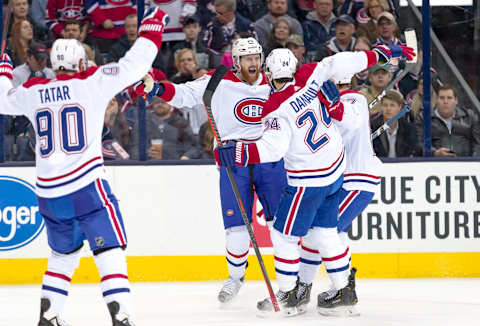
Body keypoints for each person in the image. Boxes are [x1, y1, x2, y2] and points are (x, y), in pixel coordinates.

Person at [213, 45, 414, 315]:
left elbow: (273, 149)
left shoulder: (274, 107)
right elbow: (341, 62)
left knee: (283, 236)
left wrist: (237, 151)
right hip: (334, 172)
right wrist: (381, 53)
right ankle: (343, 290)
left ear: (270, 73)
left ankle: (287, 295)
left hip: (308, 179)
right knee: (324, 232)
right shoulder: (310, 75)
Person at [0, 7, 168, 325]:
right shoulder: (91, 81)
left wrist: (3, 72)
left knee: (63, 255)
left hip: (49, 192)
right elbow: (135, 65)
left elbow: (2, 99)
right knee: (110, 249)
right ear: (81, 62)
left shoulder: (34, 90)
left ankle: (49, 316)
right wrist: (152, 27)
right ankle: (122, 315)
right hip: (86, 185)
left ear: (53, 64)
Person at [135, 37, 289, 304]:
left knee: (282, 227)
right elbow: (185, 94)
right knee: (237, 228)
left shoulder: (275, 82)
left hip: (269, 160)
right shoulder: (218, 80)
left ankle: (289, 283)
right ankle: (235, 278)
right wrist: (158, 88)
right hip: (233, 162)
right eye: (247, 58)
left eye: (256, 57)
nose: (253, 63)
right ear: (237, 61)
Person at [297, 77, 383, 315]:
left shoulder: (354, 98)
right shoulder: (325, 104)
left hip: (357, 178)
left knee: (321, 232)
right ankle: (318, 289)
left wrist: (332, 105)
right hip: (342, 179)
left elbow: (349, 124)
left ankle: (340, 291)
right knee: (332, 234)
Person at [415, 85, 480, 157]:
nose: (445, 101)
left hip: (465, 164)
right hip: (435, 164)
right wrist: (434, 153)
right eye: (442, 98)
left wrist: (472, 162)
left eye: (449, 98)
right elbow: (418, 144)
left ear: (456, 101)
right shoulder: (424, 118)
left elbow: (477, 144)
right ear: (437, 100)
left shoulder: (469, 117)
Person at [371, 90, 417, 157]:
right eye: (385, 105)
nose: (388, 109)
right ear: (381, 107)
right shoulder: (373, 128)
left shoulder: (408, 129)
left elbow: (412, 152)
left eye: (392, 105)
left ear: (400, 108)